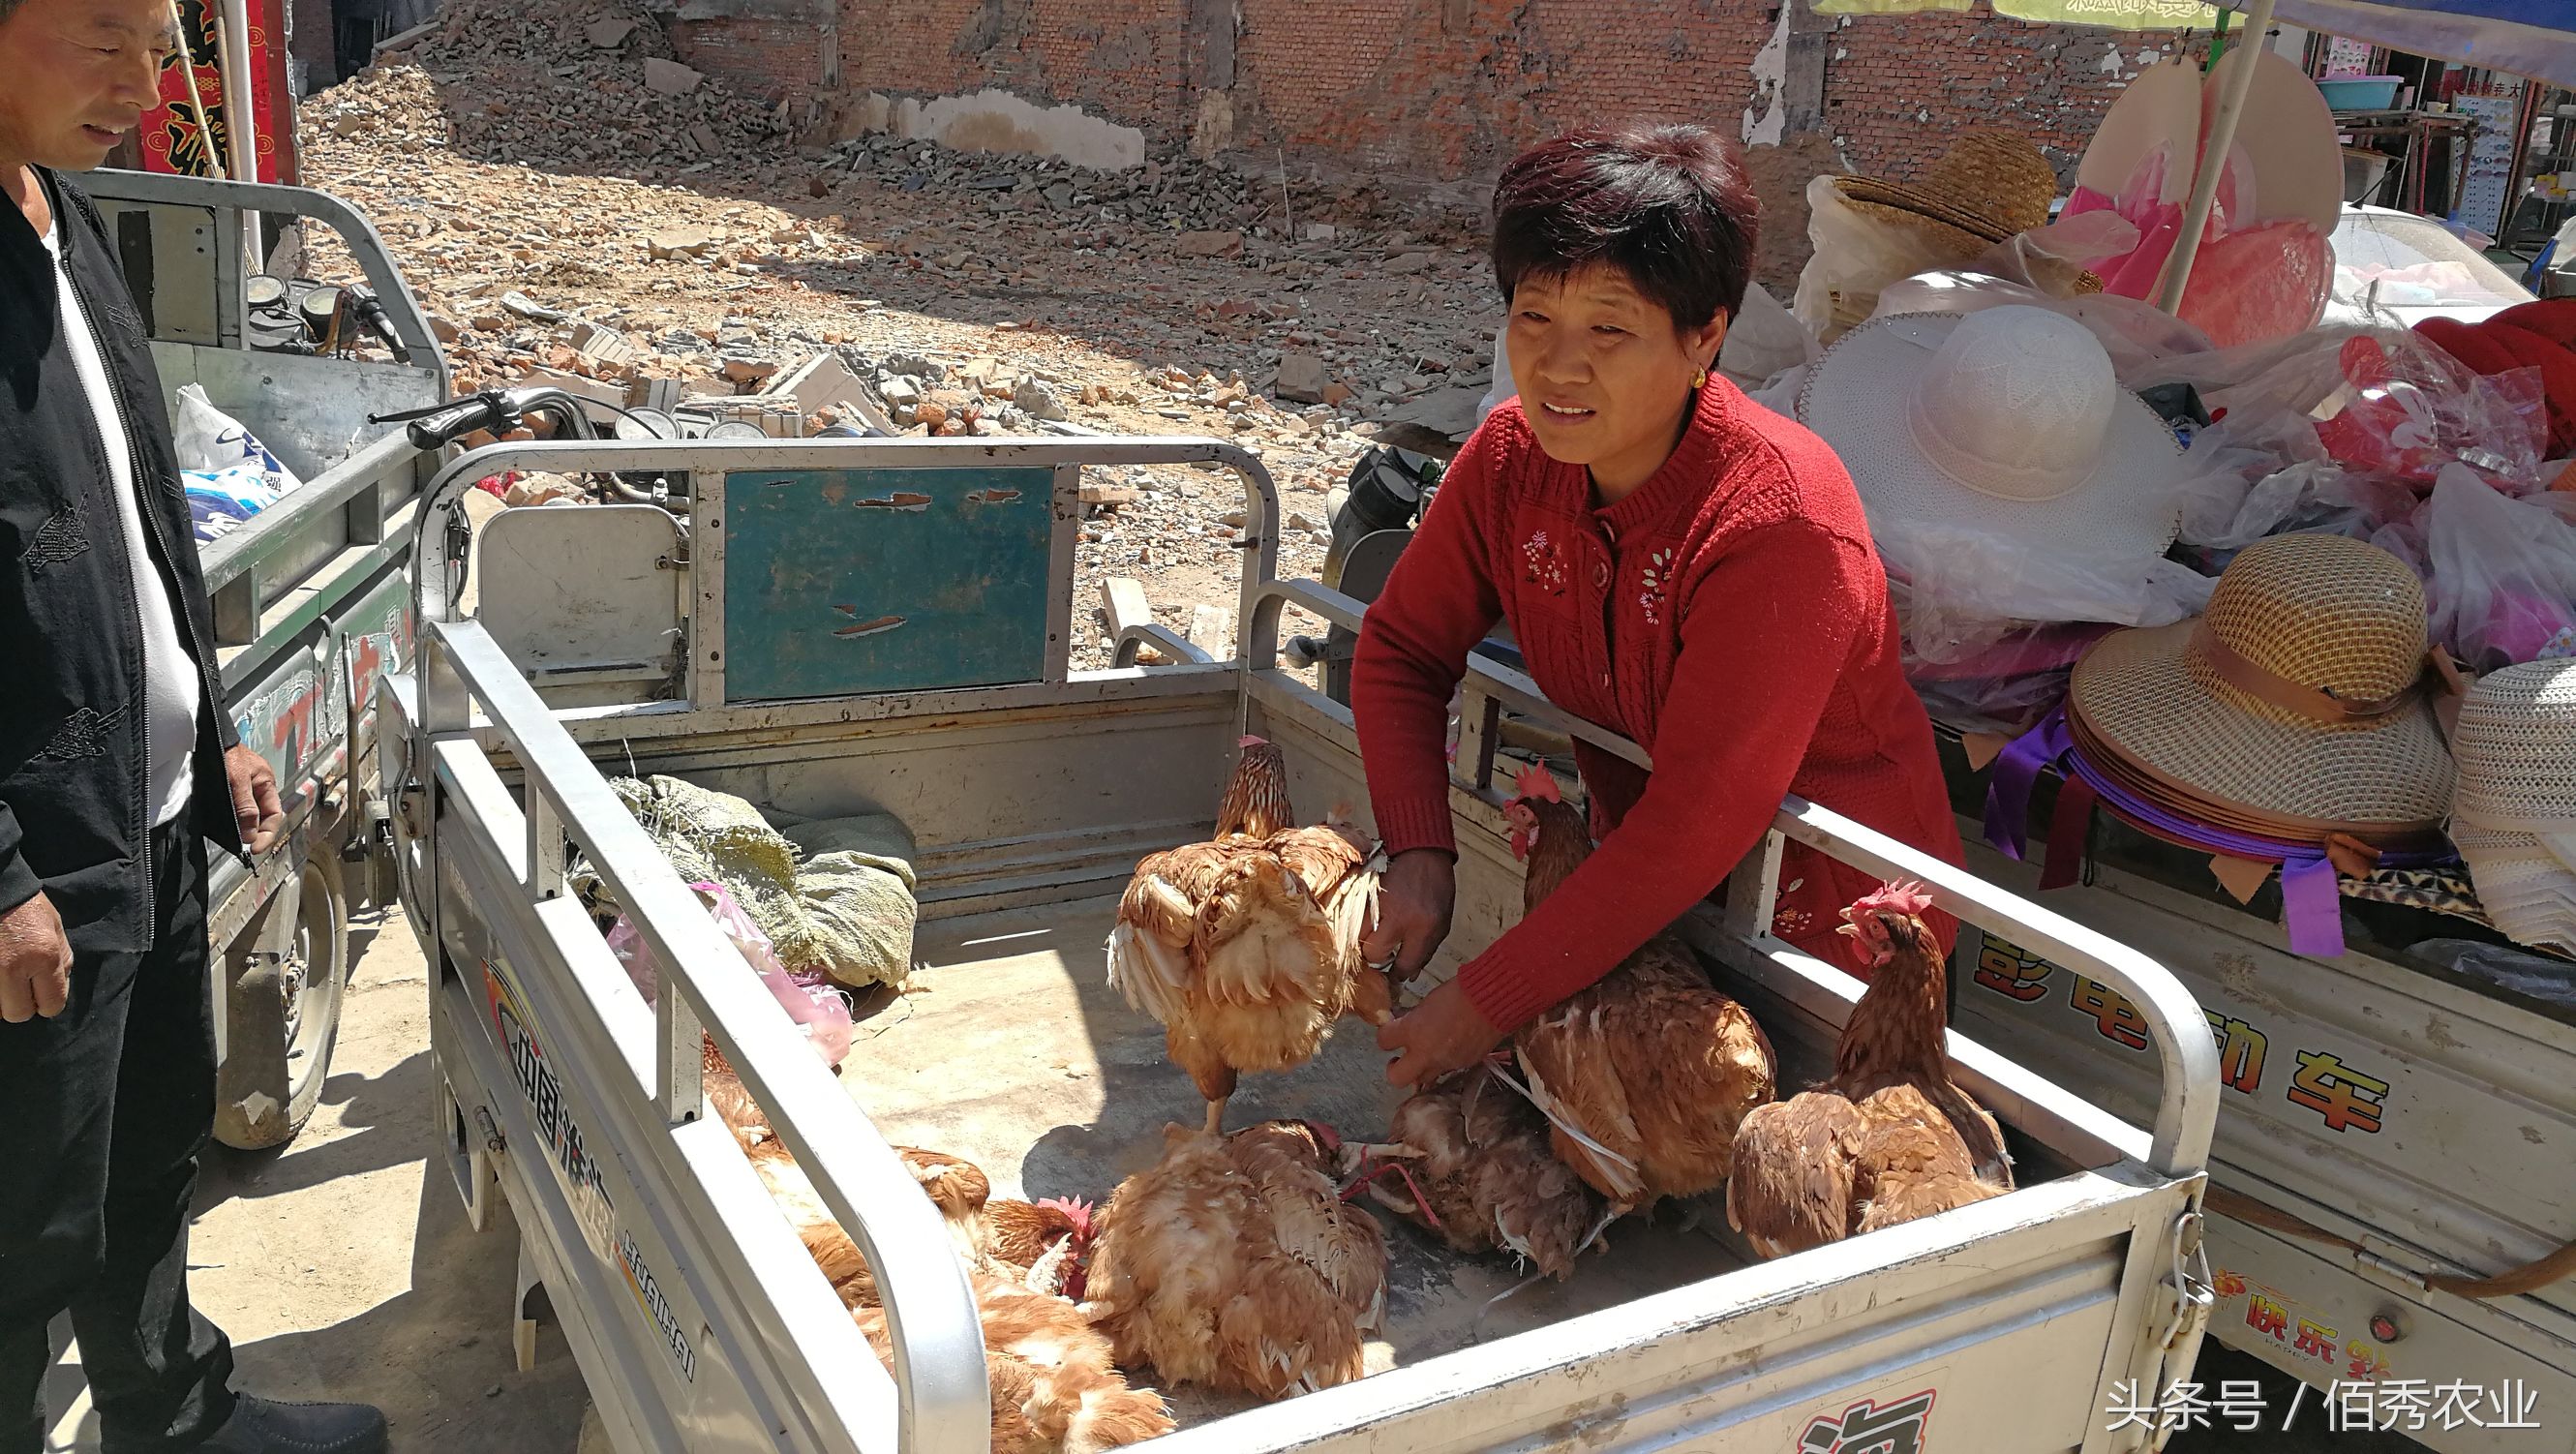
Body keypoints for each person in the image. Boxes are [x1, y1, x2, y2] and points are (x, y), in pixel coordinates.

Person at [1354, 126, 1965, 1088]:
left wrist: (1485, 1000)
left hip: (1835, 945)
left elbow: (1699, 813)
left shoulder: (1777, 519)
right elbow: (1399, 646)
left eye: (1609, 329)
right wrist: (1419, 847)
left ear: (1704, 335)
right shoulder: (1513, 459)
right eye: (1532, 317)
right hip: (1648, 910)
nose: (1558, 366)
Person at [0, 1, 389, 1449]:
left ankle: (176, 1416)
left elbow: (140, 513)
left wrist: (210, 727)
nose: (148, 83)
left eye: (161, 43)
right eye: (104, 37)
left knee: (152, 1147)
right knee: (21, 1229)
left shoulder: (67, 218)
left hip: (142, 810)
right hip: (37, 868)